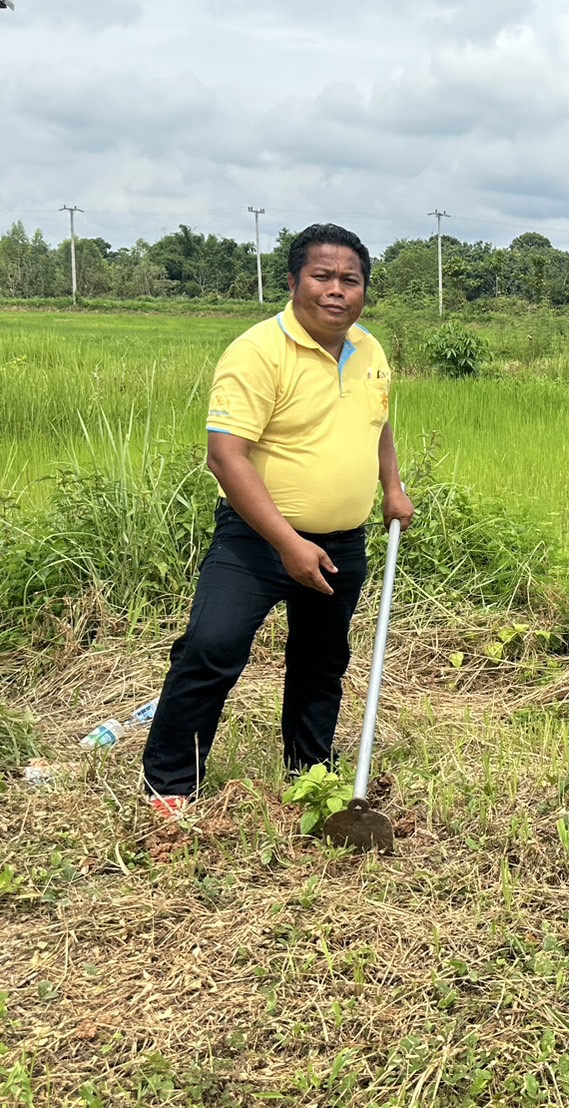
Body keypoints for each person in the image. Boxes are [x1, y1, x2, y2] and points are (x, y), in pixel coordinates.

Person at [141, 223, 415, 816]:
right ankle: (171, 784)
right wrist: (287, 541)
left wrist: (392, 486)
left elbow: (379, 422)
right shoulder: (257, 352)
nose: (337, 290)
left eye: (351, 279)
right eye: (322, 276)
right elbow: (225, 455)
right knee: (212, 648)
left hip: (343, 540)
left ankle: (310, 774)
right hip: (257, 540)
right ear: (293, 282)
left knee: (322, 660)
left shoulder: (370, 350)